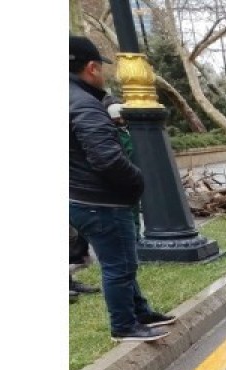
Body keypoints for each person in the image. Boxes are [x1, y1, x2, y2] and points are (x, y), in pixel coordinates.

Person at [68, 34, 174, 342]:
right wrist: (137, 180)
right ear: (91, 68)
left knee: (121, 262)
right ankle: (124, 325)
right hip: (101, 202)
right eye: (100, 68)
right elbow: (107, 160)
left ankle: (139, 311)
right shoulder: (84, 106)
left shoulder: (74, 99)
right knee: (120, 266)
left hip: (83, 199)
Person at [103, 98, 144, 240]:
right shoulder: (114, 134)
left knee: (134, 208)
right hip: (125, 176)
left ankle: (136, 237)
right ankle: (133, 238)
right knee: (129, 210)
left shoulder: (128, 131)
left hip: (134, 174)